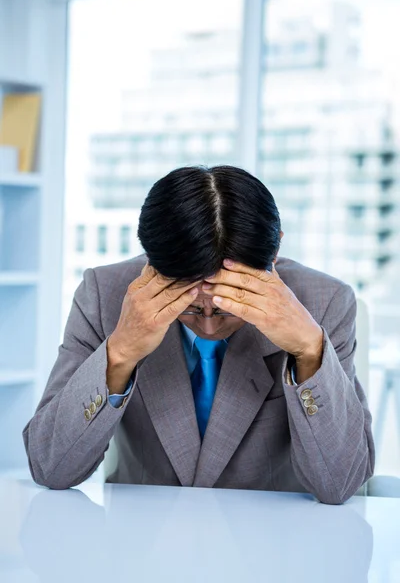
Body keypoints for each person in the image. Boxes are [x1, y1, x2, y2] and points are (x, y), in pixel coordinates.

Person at [23, 165, 375, 504]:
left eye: (226, 306)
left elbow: (339, 484)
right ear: (151, 261)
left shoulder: (325, 303)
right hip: (139, 545)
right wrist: (120, 353)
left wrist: (309, 352)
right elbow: (50, 467)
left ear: (275, 252)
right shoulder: (105, 295)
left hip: (271, 549)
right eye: (189, 305)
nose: (208, 326)